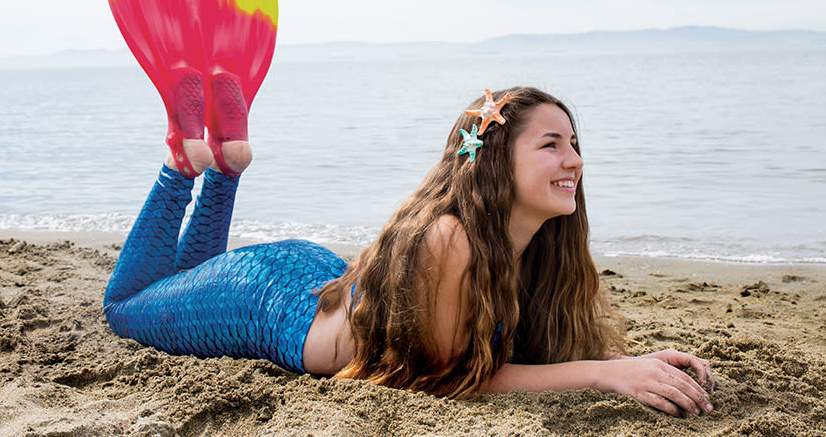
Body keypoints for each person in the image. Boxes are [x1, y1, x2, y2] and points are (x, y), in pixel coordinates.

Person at [103, 80, 715, 417]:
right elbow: (444, 380)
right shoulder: (452, 240)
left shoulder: (535, 247)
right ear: (496, 161)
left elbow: (515, 352)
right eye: (551, 144)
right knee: (126, 306)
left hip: (321, 280)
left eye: (574, 143)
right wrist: (607, 375)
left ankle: (223, 167)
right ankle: (183, 166)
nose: (574, 160)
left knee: (178, 279)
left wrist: (628, 362)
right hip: (265, 303)